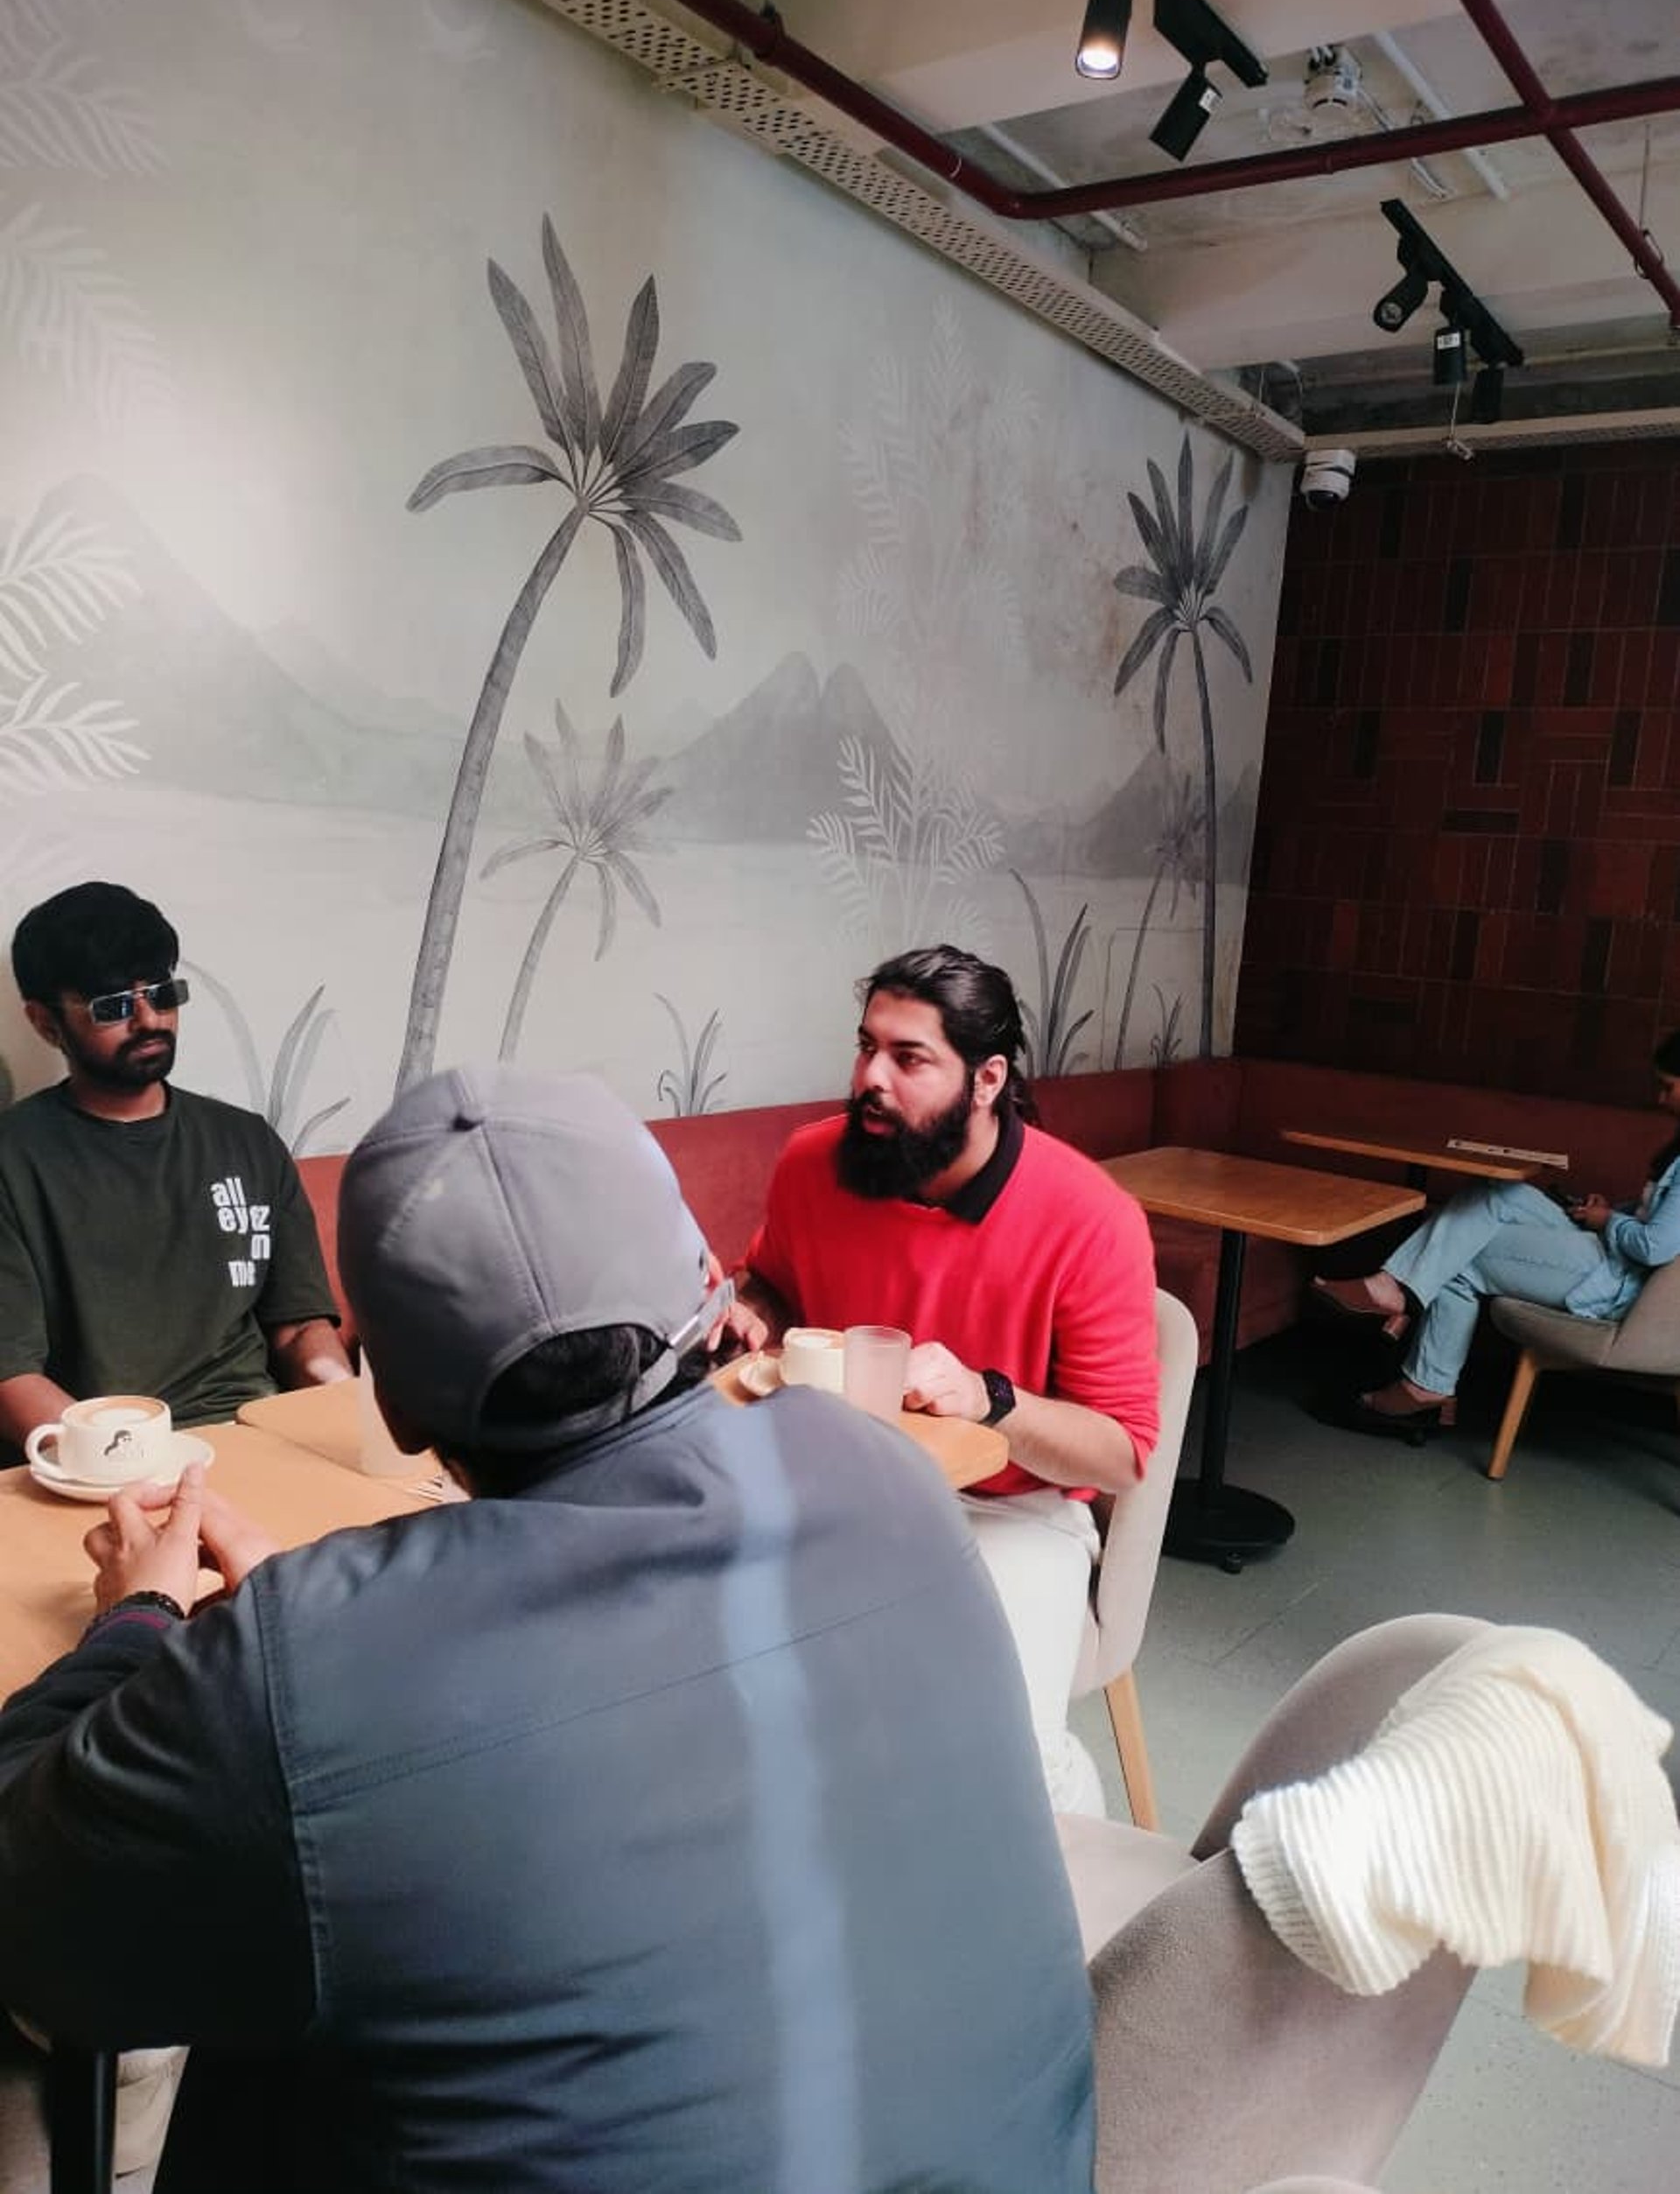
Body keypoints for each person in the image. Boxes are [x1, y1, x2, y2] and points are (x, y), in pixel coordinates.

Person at [0, 1065, 1096, 2194]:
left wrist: (141, 1625)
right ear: (711, 1286)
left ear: (390, 1402)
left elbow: (30, 1918)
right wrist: (308, 1644)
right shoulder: (880, 1469)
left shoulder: (309, 1665)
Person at [736, 944, 1159, 1818]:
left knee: (999, 1754)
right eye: (867, 1047)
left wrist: (992, 1400)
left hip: (1008, 1513)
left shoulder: (1090, 1217)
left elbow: (1119, 1454)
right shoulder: (813, 1164)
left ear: (988, 1078)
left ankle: (1066, 1841)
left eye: (909, 1058)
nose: (870, 1078)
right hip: (831, 1484)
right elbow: (770, 1283)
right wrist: (748, 1313)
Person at [0, 883, 351, 1458]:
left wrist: (345, 1405)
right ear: (45, 1023)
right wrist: (130, 1468)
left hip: (253, 1437)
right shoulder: (14, 1159)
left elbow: (298, 1329)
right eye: (114, 1006)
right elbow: (12, 1377)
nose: (149, 1020)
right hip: (103, 1455)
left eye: (163, 995)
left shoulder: (247, 1141)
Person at [1315, 1030, 1680, 1433]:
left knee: (1459, 1252)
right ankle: (1397, 1297)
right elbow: (1659, 1219)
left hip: (1619, 1284)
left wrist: (1609, 1221)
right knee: (1497, 1192)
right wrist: (1612, 1210)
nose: (1660, 1098)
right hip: (1611, 1258)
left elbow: (1655, 1247)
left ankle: (1423, 1379)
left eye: (1668, 1087)